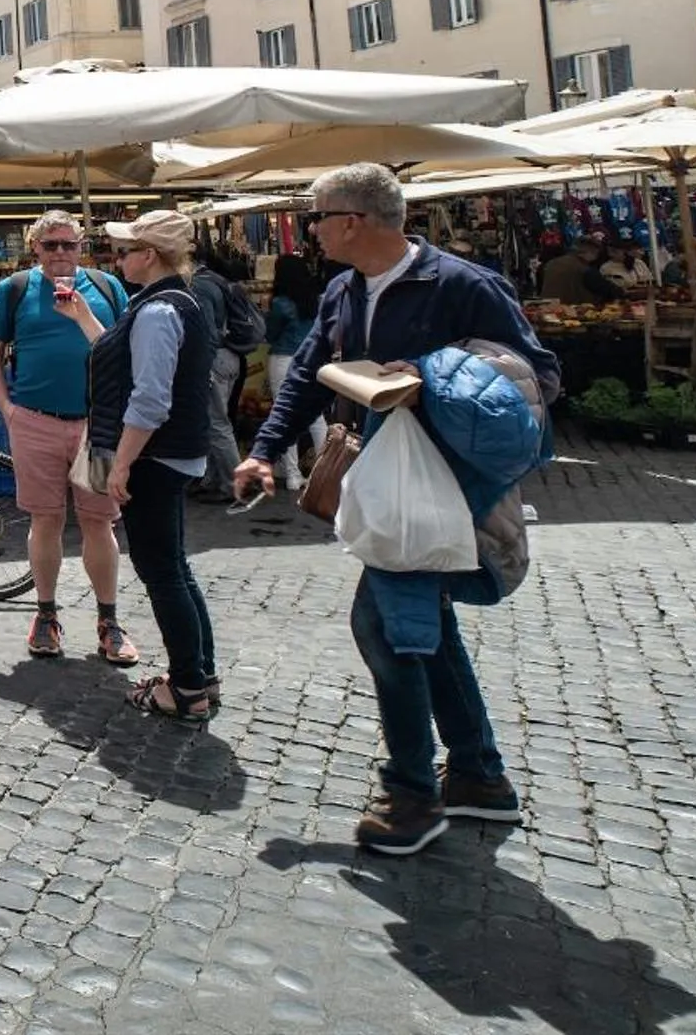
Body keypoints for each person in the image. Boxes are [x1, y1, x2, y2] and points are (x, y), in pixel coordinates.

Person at [238, 162, 561, 856]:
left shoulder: (464, 285)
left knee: (384, 625)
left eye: (316, 216)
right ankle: (479, 776)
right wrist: (265, 450)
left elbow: (538, 375)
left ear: (353, 221)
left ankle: (413, 798)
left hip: (447, 484)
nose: (310, 230)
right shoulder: (343, 290)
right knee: (424, 626)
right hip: (382, 479)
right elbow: (307, 375)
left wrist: (435, 377)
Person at [59, 210, 221, 722]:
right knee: (174, 568)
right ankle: (201, 676)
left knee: (162, 573)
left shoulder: (157, 311)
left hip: (156, 456)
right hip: (174, 453)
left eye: (125, 251)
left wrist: (123, 464)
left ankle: (187, 688)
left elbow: (150, 399)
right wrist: (85, 318)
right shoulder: (169, 302)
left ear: (149, 255)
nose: (117, 259)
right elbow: (126, 362)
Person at [0, 210, 137, 667]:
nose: (60, 253)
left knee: (99, 522)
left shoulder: (106, 287)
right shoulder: (15, 289)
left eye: (69, 244)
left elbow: (126, 349)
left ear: (81, 246)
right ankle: (46, 614)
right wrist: (7, 408)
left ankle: (108, 620)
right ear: (36, 247)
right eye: (51, 245)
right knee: (45, 520)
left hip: (97, 426)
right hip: (36, 422)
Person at [186, 250, 253, 504]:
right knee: (216, 423)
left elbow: (208, 332)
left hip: (215, 360)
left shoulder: (199, 286)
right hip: (228, 357)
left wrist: (202, 364)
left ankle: (235, 485)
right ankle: (214, 479)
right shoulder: (216, 280)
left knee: (216, 424)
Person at [264, 255, 329, 490]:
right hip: (311, 359)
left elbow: (270, 334)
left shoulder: (280, 303)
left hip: (283, 359)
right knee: (316, 417)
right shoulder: (316, 300)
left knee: (285, 415)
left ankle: (292, 473)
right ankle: (325, 470)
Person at [537, 236, 622, 304]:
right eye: (596, 253)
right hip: (573, 311)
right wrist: (622, 293)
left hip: (546, 309)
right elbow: (606, 289)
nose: (596, 257)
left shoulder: (550, 264)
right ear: (589, 252)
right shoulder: (584, 269)